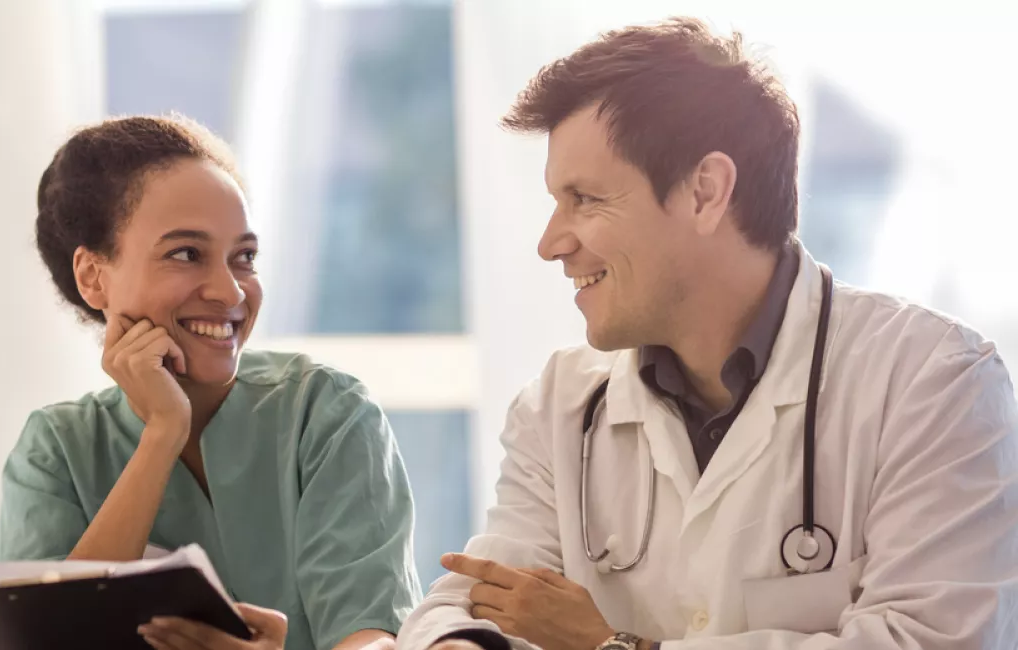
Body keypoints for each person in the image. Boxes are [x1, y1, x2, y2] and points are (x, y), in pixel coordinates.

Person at [398, 17, 1018, 650]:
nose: (551, 243)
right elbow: (475, 601)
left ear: (705, 191)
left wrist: (616, 648)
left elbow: (932, 642)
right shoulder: (561, 406)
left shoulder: (936, 384)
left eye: (585, 199)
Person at [0, 114, 424, 650]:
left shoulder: (326, 413)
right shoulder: (54, 451)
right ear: (93, 277)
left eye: (243, 257)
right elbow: (48, 642)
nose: (230, 292)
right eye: (186, 254)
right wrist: (162, 433)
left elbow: (373, 635)